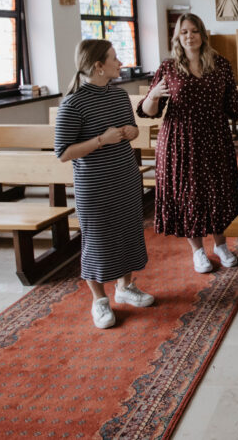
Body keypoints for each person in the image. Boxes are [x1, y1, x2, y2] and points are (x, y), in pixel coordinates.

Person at [137, 13, 238, 273]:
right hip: (180, 140)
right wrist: (154, 95)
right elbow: (149, 111)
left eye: (194, 31)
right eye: (184, 32)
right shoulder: (168, 67)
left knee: (218, 191)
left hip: (215, 137)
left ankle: (221, 245)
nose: (189, 36)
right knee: (188, 194)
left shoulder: (220, 64)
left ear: (203, 35)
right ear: (177, 37)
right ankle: (197, 251)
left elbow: (232, 101)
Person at [55, 39, 154, 330]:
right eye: (114, 58)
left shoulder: (119, 96)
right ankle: (99, 300)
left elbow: (131, 130)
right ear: (99, 66)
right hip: (94, 184)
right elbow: (63, 153)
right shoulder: (73, 103)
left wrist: (131, 132)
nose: (120, 63)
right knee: (98, 241)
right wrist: (101, 140)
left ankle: (125, 287)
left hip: (125, 176)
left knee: (128, 232)